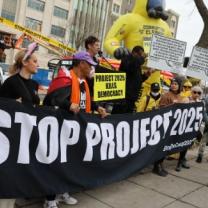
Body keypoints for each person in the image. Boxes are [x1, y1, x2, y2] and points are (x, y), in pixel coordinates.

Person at [43, 51, 108, 208]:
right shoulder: (66, 76)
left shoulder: (83, 81)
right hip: (61, 127)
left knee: (70, 163)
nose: (92, 68)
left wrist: (97, 107)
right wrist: (68, 105)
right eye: (90, 64)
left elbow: (84, 102)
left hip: (76, 129)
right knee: (57, 163)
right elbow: (52, 98)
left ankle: (63, 191)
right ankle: (50, 199)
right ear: (82, 64)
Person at [0, 42, 40, 208]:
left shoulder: (34, 84)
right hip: (9, 137)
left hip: (26, 134)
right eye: (35, 61)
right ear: (25, 63)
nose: (38, 64)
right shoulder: (11, 82)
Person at [153, 77, 186, 176]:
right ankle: (157, 166)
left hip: (174, 126)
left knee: (167, 147)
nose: (173, 85)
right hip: (166, 125)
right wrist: (173, 106)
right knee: (162, 146)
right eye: (172, 83)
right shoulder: (166, 95)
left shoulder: (181, 97)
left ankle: (160, 164)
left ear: (179, 86)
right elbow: (161, 109)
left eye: (176, 84)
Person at [112, 46, 146, 114]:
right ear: (134, 53)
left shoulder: (136, 64)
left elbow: (136, 79)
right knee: (117, 116)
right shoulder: (127, 58)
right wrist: (142, 58)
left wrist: (145, 76)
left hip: (131, 98)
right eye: (140, 55)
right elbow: (131, 67)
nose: (141, 57)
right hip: (124, 97)